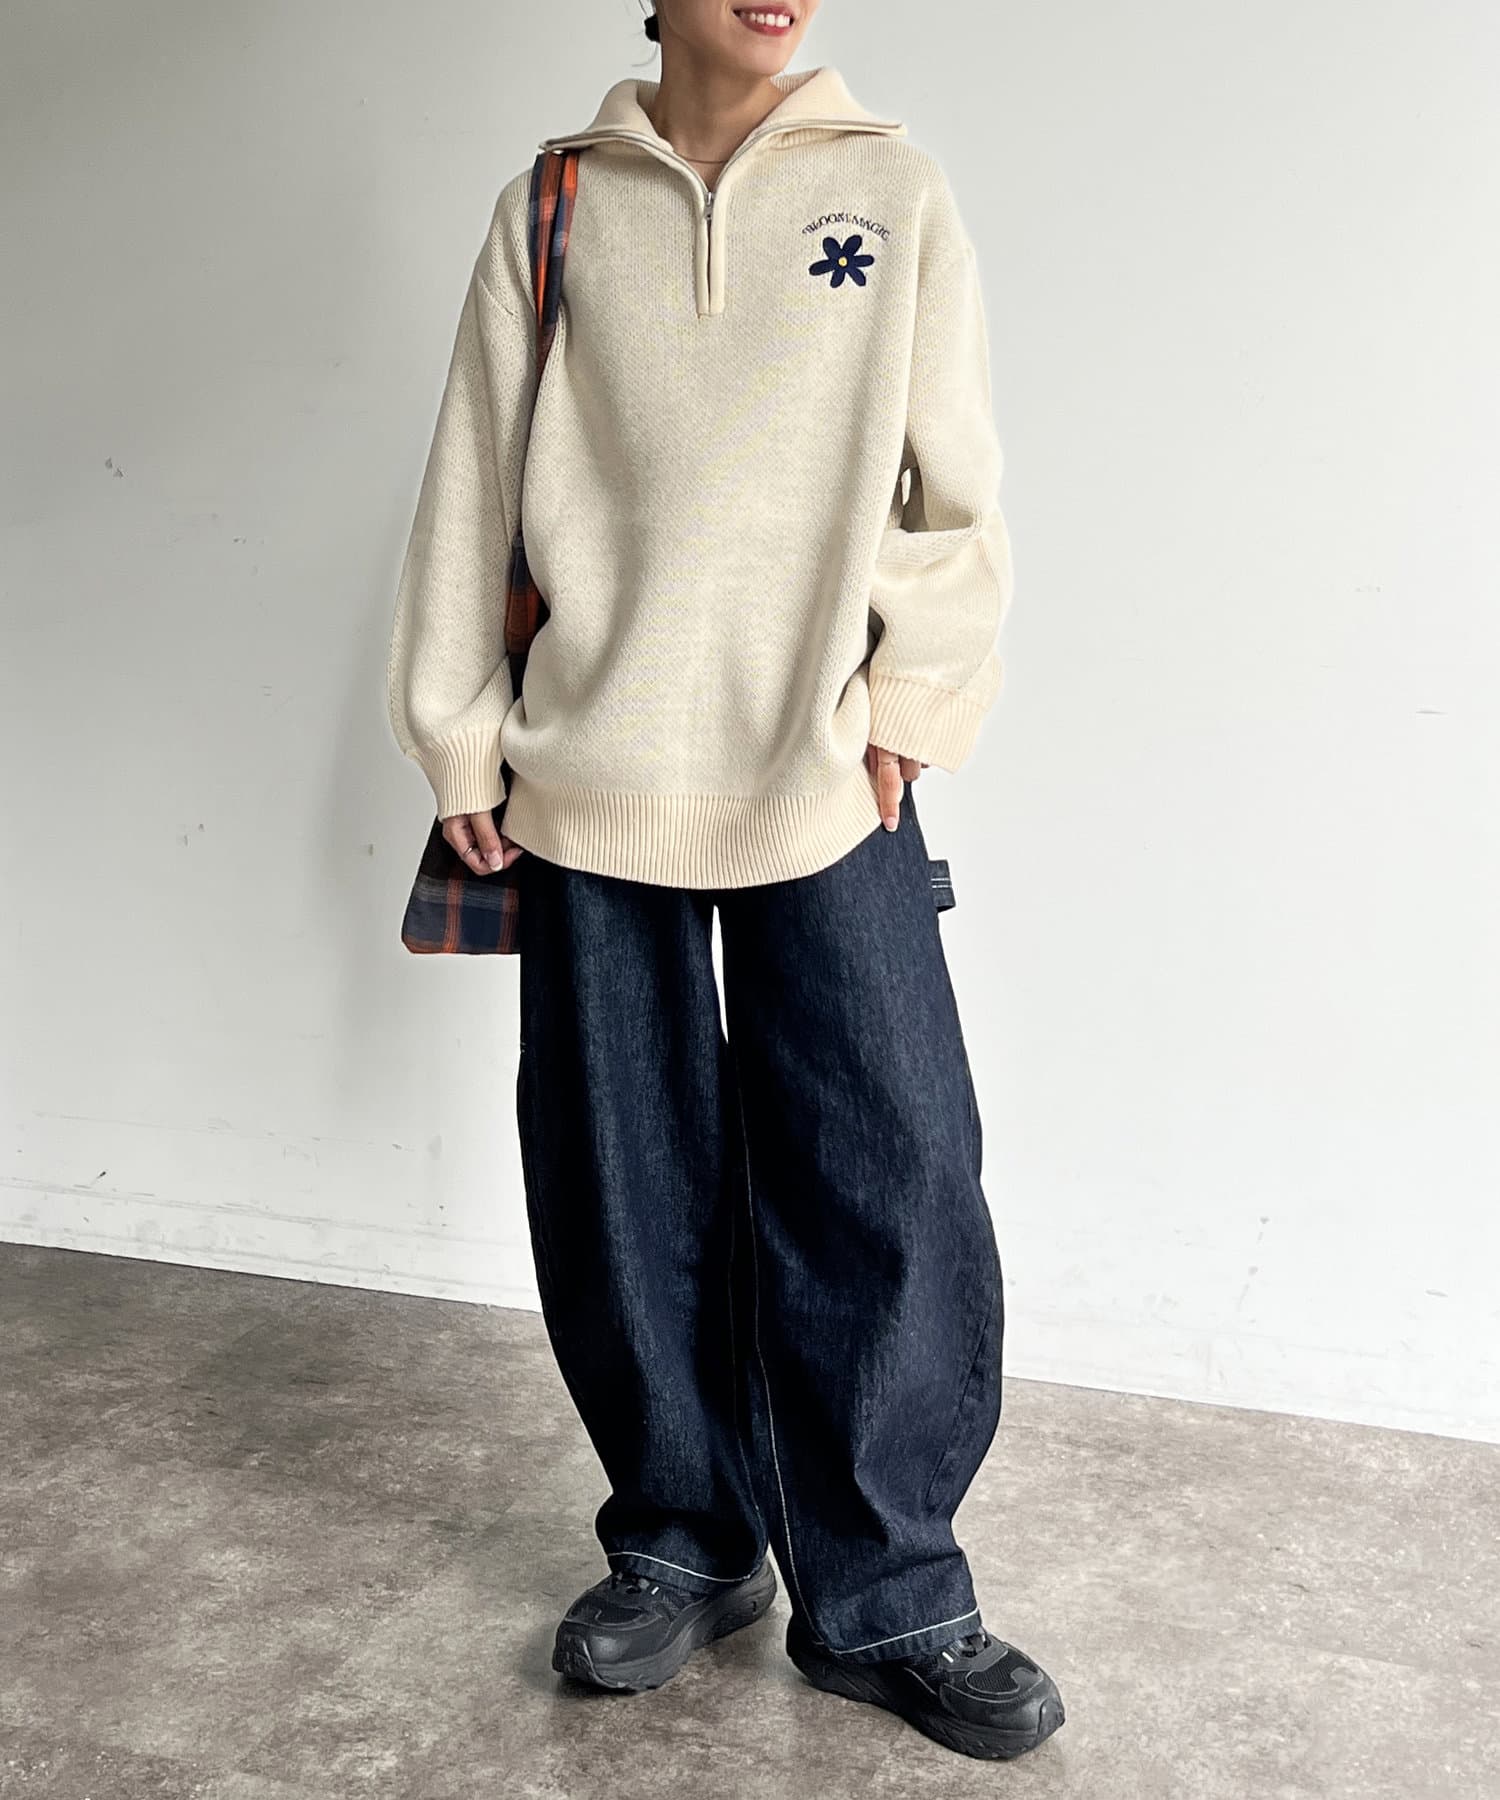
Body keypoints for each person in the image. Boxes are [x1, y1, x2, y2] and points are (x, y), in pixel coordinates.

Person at [385, 0, 1065, 1765]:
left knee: (890, 1164)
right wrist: (461, 738)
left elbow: (953, 492)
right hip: (590, 762)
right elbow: (472, 482)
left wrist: (912, 708)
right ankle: (683, 1539)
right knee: (624, 1174)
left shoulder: (894, 192)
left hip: (824, 766)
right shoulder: (554, 204)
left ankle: (890, 1589)